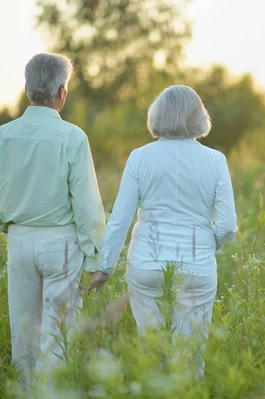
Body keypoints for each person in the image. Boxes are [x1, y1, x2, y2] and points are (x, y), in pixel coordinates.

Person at [0, 53, 108, 386]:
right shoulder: (74, 137)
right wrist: (95, 256)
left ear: (28, 88)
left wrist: (8, 224)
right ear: (62, 92)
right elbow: (88, 206)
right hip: (61, 243)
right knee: (58, 333)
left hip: (18, 241)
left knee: (24, 334)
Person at [98, 85, 238, 376]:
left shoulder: (139, 157)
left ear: (157, 116)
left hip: (146, 266)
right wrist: (208, 245)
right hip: (197, 269)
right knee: (190, 361)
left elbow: (120, 219)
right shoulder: (216, 161)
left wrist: (104, 266)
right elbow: (226, 226)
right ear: (199, 117)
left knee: (151, 357)